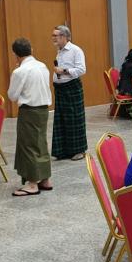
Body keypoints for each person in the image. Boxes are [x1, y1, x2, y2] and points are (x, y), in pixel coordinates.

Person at [8, 37, 53, 196]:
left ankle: (32, 184)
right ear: (31, 50)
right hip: (43, 109)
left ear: (16, 55)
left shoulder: (20, 71)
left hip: (29, 110)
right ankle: (45, 179)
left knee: (28, 145)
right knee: (40, 142)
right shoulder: (42, 66)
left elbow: (12, 95)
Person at [51, 25, 87, 161]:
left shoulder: (75, 50)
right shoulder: (59, 51)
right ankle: (63, 150)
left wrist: (64, 71)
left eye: (56, 35)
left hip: (71, 88)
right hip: (60, 90)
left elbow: (81, 70)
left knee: (74, 119)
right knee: (61, 119)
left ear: (64, 37)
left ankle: (79, 150)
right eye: (53, 35)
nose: (53, 38)